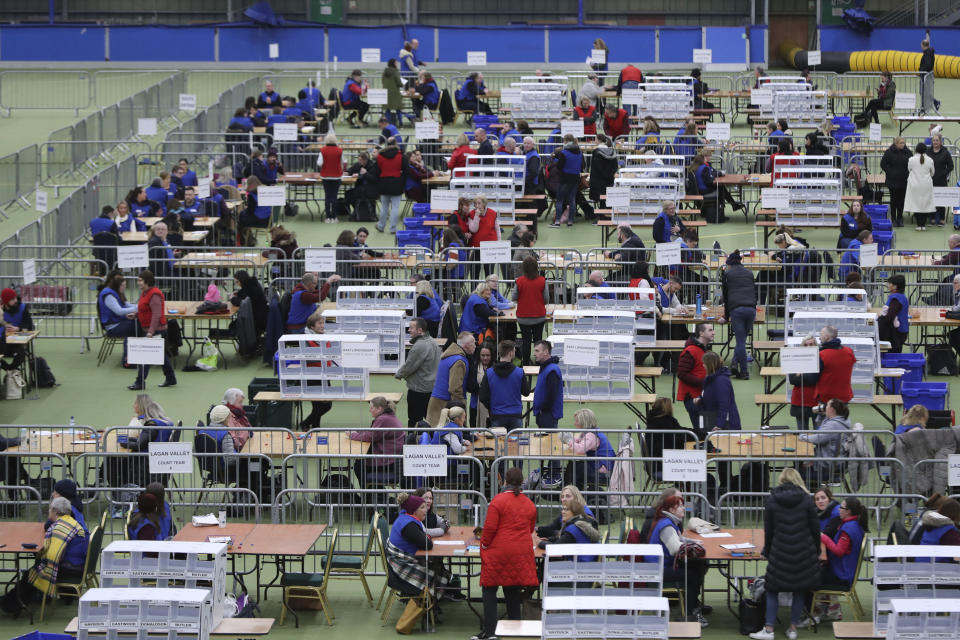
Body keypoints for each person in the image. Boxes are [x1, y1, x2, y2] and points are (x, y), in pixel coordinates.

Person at [749, 469, 820, 640]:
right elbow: (815, 529)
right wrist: (816, 550)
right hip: (803, 552)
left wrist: (767, 550)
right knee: (799, 590)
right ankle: (793, 629)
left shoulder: (772, 499)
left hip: (780, 551)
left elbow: (769, 530)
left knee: (772, 590)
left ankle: (769, 629)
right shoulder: (806, 499)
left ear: (781, 479)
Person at [472, 467, 537, 640]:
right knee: (512, 590)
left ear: (505, 482)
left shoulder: (498, 501)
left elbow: (490, 529)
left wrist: (484, 545)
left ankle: (490, 631)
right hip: (521, 552)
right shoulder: (529, 504)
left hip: (499, 551)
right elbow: (530, 529)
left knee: (489, 589)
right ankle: (514, 629)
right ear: (522, 482)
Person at [1, 497, 87, 615]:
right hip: (78, 565)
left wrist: (40, 564)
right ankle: (12, 603)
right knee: (33, 572)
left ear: (56, 511)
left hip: (70, 568)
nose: (48, 511)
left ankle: (10, 604)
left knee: (32, 574)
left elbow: (54, 555)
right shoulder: (70, 521)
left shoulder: (59, 528)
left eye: (50, 508)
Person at [645, 495, 709, 625]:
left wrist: (693, 542)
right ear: (671, 510)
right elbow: (676, 549)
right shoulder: (667, 526)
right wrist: (693, 547)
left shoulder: (668, 521)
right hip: (657, 570)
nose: (683, 508)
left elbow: (679, 539)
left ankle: (693, 604)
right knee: (693, 574)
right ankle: (690, 614)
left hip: (661, 566)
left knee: (698, 566)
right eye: (679, 506)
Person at [808, 497, 867, 624]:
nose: (839, 509)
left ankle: (814, 615)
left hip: (841, 574)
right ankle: (829, 609)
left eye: (842, 507)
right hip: (845, 570)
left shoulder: (848, 529)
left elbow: (839, 551)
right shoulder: (854, 525)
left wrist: (823, 537)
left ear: (848, 511)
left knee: (807, 577)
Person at [385, 493, 456, 600]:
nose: (425, 510)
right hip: (401, 567)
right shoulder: (409, 525)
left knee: (437, 566)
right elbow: (428, 545)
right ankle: (433, 600)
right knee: (437, 571)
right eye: (422, 507)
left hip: (403, 560)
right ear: (414, 510)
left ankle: (439, 596)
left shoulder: (406, 518)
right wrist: (427, 537)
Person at [128, 270, 176, 391]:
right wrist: (136, 314)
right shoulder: (145, 293)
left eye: (140, 280)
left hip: (156, 330)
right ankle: (171, 378)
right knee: (161, 356)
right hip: (151, 329)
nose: (138, 283)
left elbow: (156, 314)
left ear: (147, 281)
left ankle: (140, 382)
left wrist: (151, 331)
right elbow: (146, 309)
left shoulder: (154, 294)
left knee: (146, 357)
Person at [349, 396, 405, 487]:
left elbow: (371, 436)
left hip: (388, 462)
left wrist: (352, 435)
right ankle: (373, 494)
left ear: (379, 408)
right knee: (360, 464)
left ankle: (367, 496)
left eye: (371, 408)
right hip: (391, 460)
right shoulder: (387, 417)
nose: (370, 410)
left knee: (359, 466)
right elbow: (373, 434)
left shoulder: (383, 419)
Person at [718, 250, 756, 380]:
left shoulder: (727, 274)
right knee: (742, 339)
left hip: (736, 310)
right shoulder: (749, 273)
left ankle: (744, 372)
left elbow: (726, 298)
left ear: (730, 264)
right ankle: (734, 363)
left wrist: (726, 316)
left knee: (740, 342)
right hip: (751, 309)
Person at [395, 318, 440, 428]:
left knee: (414, 420)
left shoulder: (419, 345)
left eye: (411, 328)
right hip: (432, 388)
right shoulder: (433, 342)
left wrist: (398, 375)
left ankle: (413, 443)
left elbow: (409, 365)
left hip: (418, 390)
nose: (409, 330)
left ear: (420, 330)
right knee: (431, 420)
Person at [426, 332, 476, 427]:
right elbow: (455, 389)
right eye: (473, 343)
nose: (475, 345)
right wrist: (461, 411)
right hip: (445, 404)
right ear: (466, 346)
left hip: (437, 401)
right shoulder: (459, 361)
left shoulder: (449, 355)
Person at [799, 398, 851, 486]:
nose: (824, 407)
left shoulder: (833, 425)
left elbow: (817, 439)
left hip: (826, 467)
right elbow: (821, 430)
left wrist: (802, 436)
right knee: (801, 464)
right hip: (834, 462)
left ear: (832, 410)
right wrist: (821, 415)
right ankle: (812, 491)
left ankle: (808, 493)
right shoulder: (842, 420)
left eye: (827, 405)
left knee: (795, 472)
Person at [479, 340, 530, 430]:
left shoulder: (489, 373)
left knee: (498, 443)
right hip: (515, 415)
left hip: (497, 414)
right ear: (511, 353)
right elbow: (526, 392)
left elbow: (483, 396)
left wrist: (492, 407)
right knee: (516, 443)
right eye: (514, 351)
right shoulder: (519, 372)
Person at [564, 407, 615, 489]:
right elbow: (579, 441)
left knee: (575, 465)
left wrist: (569, 440)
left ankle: (568, 487)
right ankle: (571, 488)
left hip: (603, 473)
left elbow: (580, 449)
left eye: (577, 421)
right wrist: (570, 439)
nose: (575, 423)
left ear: (583, 422)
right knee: (576, 464)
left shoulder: (591, 436)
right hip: (603, 468)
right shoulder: (591, 431)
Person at [512, 255, 548, 367]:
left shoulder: (519, 281)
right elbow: (546, 299)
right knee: (538, 340)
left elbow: (514, 297)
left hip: (523, 318)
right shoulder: (542, 281)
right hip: (539, 316)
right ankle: (539, 363)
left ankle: (526, 363)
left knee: (526, 341)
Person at [677, 323, 714, 429]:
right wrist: (703, 383)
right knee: (703, 431)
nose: (713, 333)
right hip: (693, 397)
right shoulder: (691, 351)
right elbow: (682, 373)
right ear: (701, 333)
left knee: (706, 429)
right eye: (710, 330)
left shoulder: (703, 349)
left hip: (701, 396)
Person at [536, 501, 601, 557]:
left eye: (566, 510)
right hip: (585, 560)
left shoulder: (573, 528)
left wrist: (539, 543)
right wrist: (549, 539)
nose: (562, 512)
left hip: (577, 564)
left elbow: (555, 548)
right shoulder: (581, 523)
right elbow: (565, 539)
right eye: (563, 509)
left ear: (575, 512)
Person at [697, 351, 740, 431]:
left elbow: (724, 404)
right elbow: (708, 394)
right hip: (714, 419)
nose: (703, 365)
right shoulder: (710, 378)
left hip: (725, 424)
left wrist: (719, 425)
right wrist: (700, 398)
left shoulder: (721, 380)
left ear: (710, 365)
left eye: (704, 363)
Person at [815, 325, 856, 406]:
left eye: (821, 335)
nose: (819, 338)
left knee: (823, 419)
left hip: (826, 397)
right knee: (842, 418)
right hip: (844, 395)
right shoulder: (849, 351)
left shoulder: (822, 354)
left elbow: (814, 375)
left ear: (826, 337)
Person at [373, 138, 406, 234]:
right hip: (397, 182)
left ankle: (381, 226)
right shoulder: (401, 156)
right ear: (396, 144)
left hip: (384, 182)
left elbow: (376, 171)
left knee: (384, 207)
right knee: (395, 207)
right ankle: (393, 228)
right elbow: (406, 170)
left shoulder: (380, 156)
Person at [789, 334, 820, 431]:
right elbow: (792, 379)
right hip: (800, 400)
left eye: (811, 344)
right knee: (802, 435)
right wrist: (810, 376)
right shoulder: (796, 360)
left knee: (819, 435)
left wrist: (802, 375)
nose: (809, 347)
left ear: (816, 345)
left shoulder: (821, 359)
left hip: (816, 400)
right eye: (806, 345)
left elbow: (816, 379)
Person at [315, 133, 343, 224]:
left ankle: (328, 217)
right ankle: (334, 217)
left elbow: (319, 163)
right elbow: (343, 162)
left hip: (325, 176)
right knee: (334, 196)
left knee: (328, 196)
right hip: (337, 176)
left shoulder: (323, 150)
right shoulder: (339, 150)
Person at [230, 269, 267, 337]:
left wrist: (232, 298)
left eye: (237, 282)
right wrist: (238, 294)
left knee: (232, 326)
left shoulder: (251, 288)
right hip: (260, 316)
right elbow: (244, 294)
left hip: (255, 320)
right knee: (233, 324)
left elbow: (242, 302)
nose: (237, 284)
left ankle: (245, 345)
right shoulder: (252, 284)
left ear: (242, 280)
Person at [927, 134, 953, 226]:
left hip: (941, 180)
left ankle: (942, 219)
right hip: (930, 180)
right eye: (934, 140)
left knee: (941, 200)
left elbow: (950, 166)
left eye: (937, 140)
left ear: (940, 141)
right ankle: (932, 218)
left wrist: (944, 173)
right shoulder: (928, 152)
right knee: (931, 199)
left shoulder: (945, 152)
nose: (935, 142)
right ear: (932, 141)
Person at [879, 274, 909, 353]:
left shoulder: (896, 299)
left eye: (890, 283)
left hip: (896, 333)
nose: (888, 285)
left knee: (893, 354)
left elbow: (889, 317)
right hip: (901, 331)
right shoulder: (901, 297)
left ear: (895, 286)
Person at [469, 341, 495, 429]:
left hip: (492, 407)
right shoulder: (473, 366)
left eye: (488, 355)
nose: (485, 358)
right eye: (483, 355)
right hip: (475, 405)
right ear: (479, 355)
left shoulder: (496, 367)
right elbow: (470, 386)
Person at [382, 59, 409, 128]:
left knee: (387, 109)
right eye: (396, 63)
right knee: (398, 109)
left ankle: (387, 124)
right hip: (395, 93)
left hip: (386, 92)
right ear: (394, 63)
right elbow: (399, 83)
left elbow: (382, 81)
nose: (397, 64)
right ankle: (400, 124)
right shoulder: (395, 72)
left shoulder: (384, 72)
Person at [919, 39, 938, 113]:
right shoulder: (930, 53)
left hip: (925, 75)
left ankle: (925, 107)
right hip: (928, 75)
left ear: (923, 45)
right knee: (925, 92)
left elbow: (927, 65)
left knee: (923, 92)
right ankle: (933, 103)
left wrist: (921, 70)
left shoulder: (927, 54)